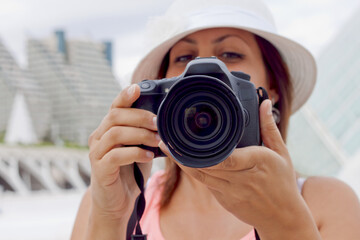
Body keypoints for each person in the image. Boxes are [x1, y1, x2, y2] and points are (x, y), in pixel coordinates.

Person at [71, 0, 360, 239]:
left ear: (270, 90)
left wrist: (285, 222)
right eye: (184, 58)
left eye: (230, 54)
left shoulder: (327, 203)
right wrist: (112, 218)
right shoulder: (105, 202)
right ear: (161, 91)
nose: (204, 72)